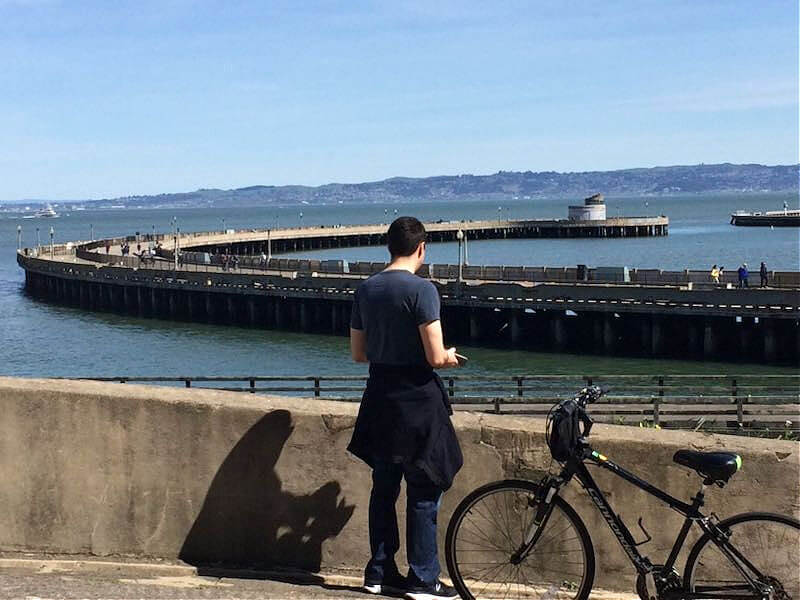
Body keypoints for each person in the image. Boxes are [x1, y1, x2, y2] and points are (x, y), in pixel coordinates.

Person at [348, 216, 462, 600]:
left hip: (380, 397)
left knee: (384, 488)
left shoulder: (366, 290)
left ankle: (379, 572)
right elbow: (433, 355)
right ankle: (423, 578)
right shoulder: (423, 290)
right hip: (416, 400)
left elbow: (358, 354)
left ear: (388, 246)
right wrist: (448, 357)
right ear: (421, 248)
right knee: (424, 489)